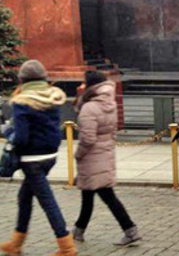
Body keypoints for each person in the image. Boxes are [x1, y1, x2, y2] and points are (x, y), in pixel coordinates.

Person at [0, 59, 78, 256]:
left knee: (47, 202)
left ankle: (67, 248)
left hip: (31, 159)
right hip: (50, 155)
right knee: (24, 197)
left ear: (22, 80)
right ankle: (16, 243)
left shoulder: (23, 102)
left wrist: (9, 135)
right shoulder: (52, 97)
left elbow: (22, 136)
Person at [72, 71, 141, 245]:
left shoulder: (89, 107)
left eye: (83, 83)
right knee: (88, 195)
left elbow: (87, 139)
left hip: (92, 157)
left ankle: (130, 229)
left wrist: (77, 154)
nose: (80, 86)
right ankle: (78, 231)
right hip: (103, 154)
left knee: (106, 195)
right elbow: (112, 131)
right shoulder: (109, 103)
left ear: (90, 86)